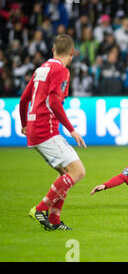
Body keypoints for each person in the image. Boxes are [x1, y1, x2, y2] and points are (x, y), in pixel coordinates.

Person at [19, 34, 86, 231]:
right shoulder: (61, 70)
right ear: (72, 53)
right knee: (78, 172)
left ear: (53, 50)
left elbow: (23, 99)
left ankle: (55, 221)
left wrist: (24, 123)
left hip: (34, 130)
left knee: (65, 175)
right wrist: (72, 130)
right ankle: (40, 210)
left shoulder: (41, 69)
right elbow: (55, 103)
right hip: (45, 130)